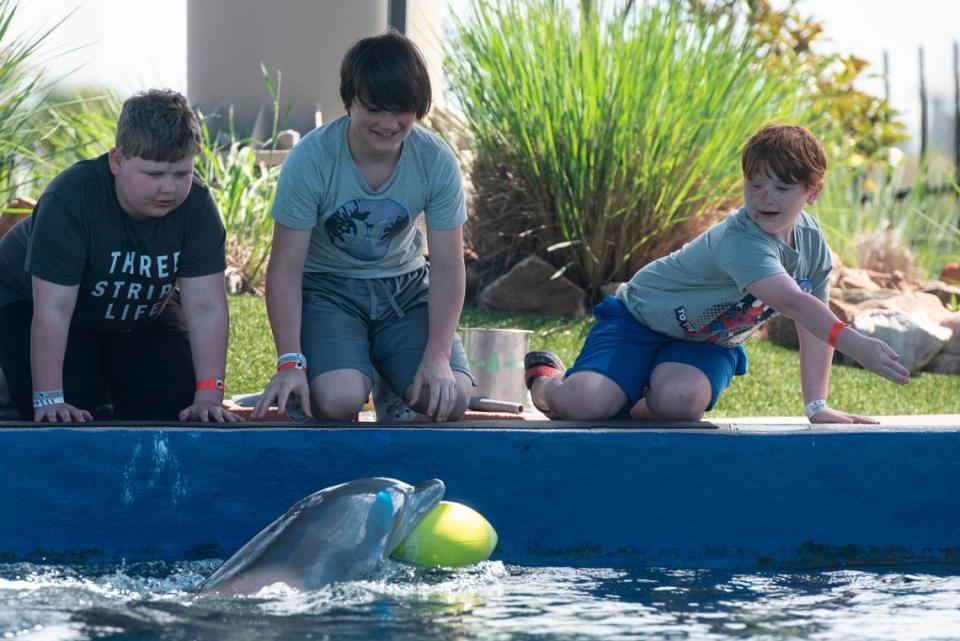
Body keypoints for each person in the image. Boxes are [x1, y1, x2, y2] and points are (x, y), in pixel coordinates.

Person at [526, 124, 910, 424]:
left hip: (705, 342)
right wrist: (857, 345)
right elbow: (793, 302)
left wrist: (817, 405)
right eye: (755, 184)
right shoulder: (740, 239)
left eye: (782, 187)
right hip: (640, 319)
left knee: (680, 402)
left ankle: (634, 396)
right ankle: (546, 382)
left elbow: (813, 323)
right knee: (586, 403)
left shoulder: (811, 245)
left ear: (813, 192)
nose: (765, 197)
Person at [253, 31, 474, 422]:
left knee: (450, 398)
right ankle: (355, 369)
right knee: (338, 401)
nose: (388, 123)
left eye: (402, 110)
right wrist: (290, 361)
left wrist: (438, 356)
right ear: (350, 100)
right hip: (327, 289)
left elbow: (447, 266)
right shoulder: (311, 160)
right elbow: (285, 268)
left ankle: (391, 379)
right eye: (374, 109)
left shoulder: (435, 161)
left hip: (404, 291)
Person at [0, 89, 240, 423]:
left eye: (181, 173)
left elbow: (206, 307)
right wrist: (48, 398)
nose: (168, 188)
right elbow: (53, 309)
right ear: (117, 161)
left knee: (175, 404)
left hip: (141, 310)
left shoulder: (196, 206)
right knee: (67, 409)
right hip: (33, 302)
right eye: (154, 174)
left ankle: (108, 374)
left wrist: (208, 395)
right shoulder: (70, 199)